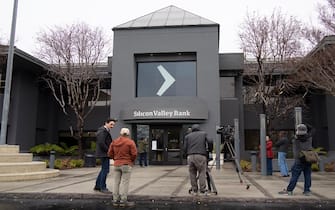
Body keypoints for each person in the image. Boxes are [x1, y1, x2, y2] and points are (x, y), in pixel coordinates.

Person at [279, 123, 314, 196]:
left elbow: (294, 138)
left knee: (295, 176)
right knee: (307, 175)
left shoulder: (295, 139)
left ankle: (289, 190)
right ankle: (307, 191)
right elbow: (311, 128)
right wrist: (304, 125)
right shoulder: (309, 138)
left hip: (299, 160)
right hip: (308, 159)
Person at [108, 128, 138, 207]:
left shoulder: (114, 142)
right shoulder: (130, 142)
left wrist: (115, 159)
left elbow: (110, 153)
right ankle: (123, 200)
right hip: (126, 164)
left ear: (120, 134)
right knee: (125, 183)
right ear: (128, 134)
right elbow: (134, 154)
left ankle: (115, 200)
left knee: (116, 182)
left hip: (117, 164)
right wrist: (131, 161)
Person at [183, 124, 212, 195]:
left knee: (192, 173)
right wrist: (209, 150)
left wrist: (185, 155)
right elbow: (210, 141)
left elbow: (184, 147)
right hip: (200, 155)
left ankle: (194, 190)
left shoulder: (188, 136)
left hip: (190, 156)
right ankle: (203, 190)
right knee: (202, 172)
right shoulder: (204, 134)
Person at [94, 118, 116, 193]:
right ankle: (102, 187)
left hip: (104, 153)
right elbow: (101, 143)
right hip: (104, 154)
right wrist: (109, 151)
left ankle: (98, 186)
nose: (112, 126)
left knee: (103, 170)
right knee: (105, 170)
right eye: (111, 124)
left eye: (113, 125)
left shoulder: (104, 130)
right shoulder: (102, 131)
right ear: (106, 123)